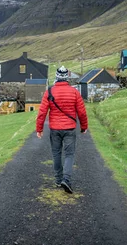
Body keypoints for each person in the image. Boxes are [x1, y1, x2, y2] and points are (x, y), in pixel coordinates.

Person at [36, 66, 88, 194]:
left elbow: (42, 112)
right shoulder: (74, 92)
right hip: (70, 128)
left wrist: (39, 128)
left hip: (55, 129)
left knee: (56, 154)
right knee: (69, 154)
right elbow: (81, 112)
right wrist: (83, 127)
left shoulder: (49, 92)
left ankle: (59, 180)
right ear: (67, 78)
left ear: (57, 77)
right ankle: (67, 179)